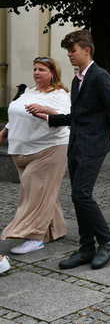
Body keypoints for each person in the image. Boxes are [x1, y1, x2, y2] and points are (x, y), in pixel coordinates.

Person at [28, 30, 110, 270]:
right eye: (68, 51)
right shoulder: (77, 79)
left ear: (86, 50)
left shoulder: (100, 76)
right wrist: (49, 118)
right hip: (76, 143)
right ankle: (86, 248)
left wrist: (102, 136)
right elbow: (78, 116)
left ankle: (107, 240)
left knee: (82, 194)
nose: (69, 55)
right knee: (77, 196)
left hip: (92, 145)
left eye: (73, 50)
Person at [0, 57, 70, 255]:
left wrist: (46, 110)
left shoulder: (60, 94)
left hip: (49, 149)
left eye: (42, 69)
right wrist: (5, 131)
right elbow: (15, 114)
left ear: (52, 73)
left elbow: (65, 117)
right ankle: (56, 229)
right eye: (35, 69)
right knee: (44, 193)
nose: (36, 73)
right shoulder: (28, 91)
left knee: (33, 193)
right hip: (21, 148)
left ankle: (33, 236)